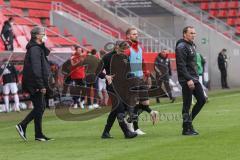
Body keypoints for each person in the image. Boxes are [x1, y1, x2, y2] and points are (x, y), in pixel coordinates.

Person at [16, 26, 54, 141]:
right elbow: (36, 68)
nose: (45, 35)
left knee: (40, 107)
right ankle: (22, 125)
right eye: (43, 33)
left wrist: (42, 44)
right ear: (37, 35)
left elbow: (47, 53)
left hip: (37, 82)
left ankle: (38, 134)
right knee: (40, 107)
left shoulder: (37, 47)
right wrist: (40, 85)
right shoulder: (34, 49)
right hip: (35, 83)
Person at [99, 41, 137, 139]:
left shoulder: (125, 57)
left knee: (115, 110)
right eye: (122, 49)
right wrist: (105, 76)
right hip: (112, 87)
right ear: (116, 47)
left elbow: (128, 72)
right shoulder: (107, 57)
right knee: (119, 109)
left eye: (125, 49)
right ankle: (126, 132)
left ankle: (105, 132)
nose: (124, 51)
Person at [124, 28, 159, 135]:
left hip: (140, 78)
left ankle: (130, 121)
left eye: (137, 34)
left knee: (145, 103)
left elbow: (142, 62)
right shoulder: (126, 49)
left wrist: (147, 75)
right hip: (130, 79)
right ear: (128, 36)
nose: (136, 36)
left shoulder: (139, 48)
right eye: (133, 34)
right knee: (136, 103)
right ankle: (136, 128)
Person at [175, 26, 206, 136]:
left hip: (194, 78)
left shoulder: (191, 45)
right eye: (191, 33)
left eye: (194, 33)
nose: (193, 35)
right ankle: (186, 129)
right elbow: (181, 65)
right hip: (187, 79)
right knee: (187, 105)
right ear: (184, 34)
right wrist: (188, 79)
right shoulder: (181, 47)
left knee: (202, 100)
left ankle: (187, 123)